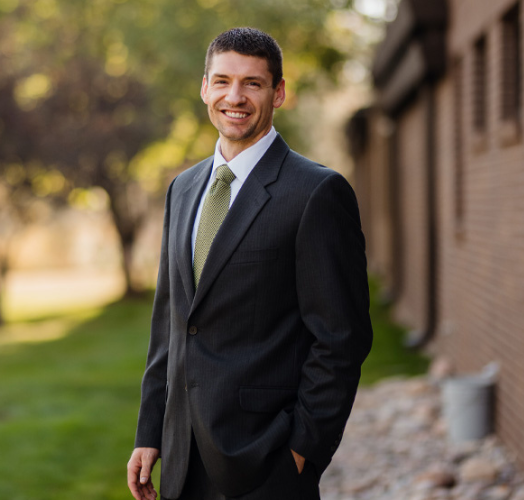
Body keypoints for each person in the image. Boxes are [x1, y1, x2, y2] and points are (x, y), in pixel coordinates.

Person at [127, 27, 372, 500]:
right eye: (222, 81)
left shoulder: (316, 193)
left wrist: (302, 449)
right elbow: (171, 324)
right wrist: (150, 431)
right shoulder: (183, 189)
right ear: (204, 88)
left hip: (266, 463)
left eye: (252, 84)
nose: (234, 97)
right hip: (182, 458)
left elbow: (342, 338)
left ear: (278, 93)